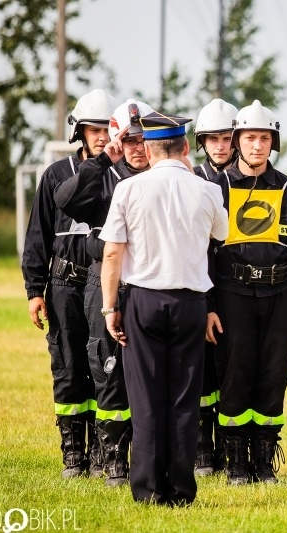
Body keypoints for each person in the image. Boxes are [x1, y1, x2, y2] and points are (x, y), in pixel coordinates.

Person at [99, 111, 229, 505]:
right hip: (190, 301)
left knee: (146, 397)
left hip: (143, 299)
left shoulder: (129, 189)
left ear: (148, 149)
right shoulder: (207, 190)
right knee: (184, 399)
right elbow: (220, 233)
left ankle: (148, 487)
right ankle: (181, 489)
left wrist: (109, 309)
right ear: (186, 147)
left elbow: (111, 255)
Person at [205, 100, 287, 485]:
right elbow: (202, 252)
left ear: (273, 142)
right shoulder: (216, 187)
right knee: (235, 374)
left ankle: (264, 461)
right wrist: (208, 306)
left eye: (264, 138)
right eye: (250, 137)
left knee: (273, 375)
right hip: (231, 294)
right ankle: (236, 462)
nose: (257, 145)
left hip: (279, 295)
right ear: (236, 141)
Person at [53, 99, 153, 487]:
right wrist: (102, 160)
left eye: (144, 139)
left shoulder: (164, 178)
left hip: (152, 286)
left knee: (149, 372)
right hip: (107, 285)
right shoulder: (103, 178)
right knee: (106, 369)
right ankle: (112, 459)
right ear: (117, 142)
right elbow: (65, 201)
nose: (137, 147)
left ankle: (149, 452)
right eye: (129, 141)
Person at [22, 88, 115, 479]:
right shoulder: (56, 176)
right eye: (94, 130)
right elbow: (38, 236)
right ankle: (73, 453)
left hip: (99, 284)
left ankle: (101, 452)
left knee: (102, 365)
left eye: (107, 131)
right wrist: (33, 291)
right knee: (68, 366)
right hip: (62, 285)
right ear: (79, 132)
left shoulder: (118, 176)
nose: (101, 138)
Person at [191, 98, 239, 477]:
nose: (220, 146)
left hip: (235, 289)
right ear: (201, 142)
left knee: (230, 371)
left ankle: (227, 444)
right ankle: (202, 448)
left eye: (226, 138)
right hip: (198, 287)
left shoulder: (247, 180)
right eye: (213, 139)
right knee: (201, 371)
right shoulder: (191, 179)